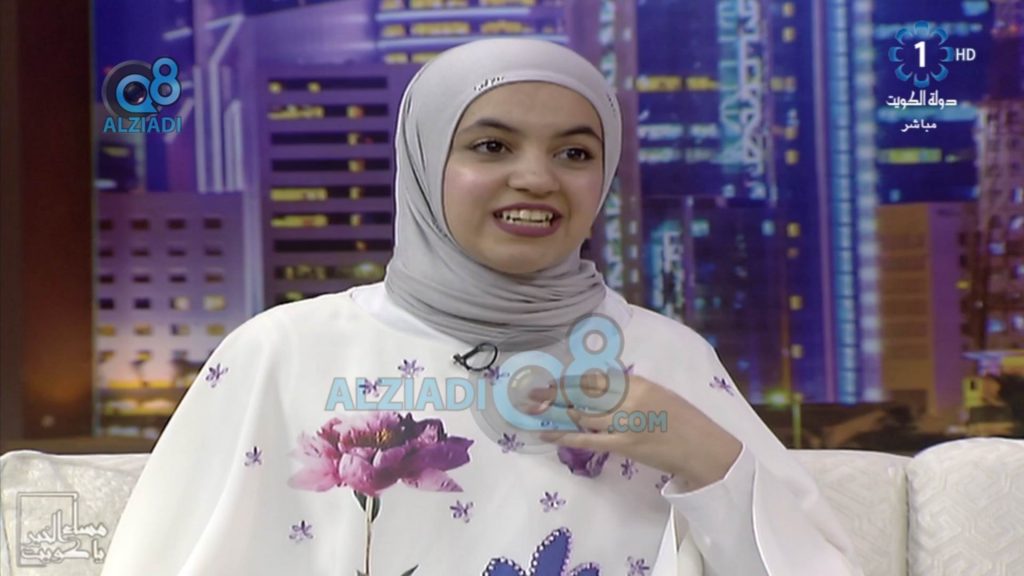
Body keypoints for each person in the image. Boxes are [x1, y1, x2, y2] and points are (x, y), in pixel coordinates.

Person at [102, 38, 863, 575]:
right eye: (492, 147)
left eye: (574, 153)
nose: (537, 178)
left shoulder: (667, 358)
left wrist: (700, 453)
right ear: (424, 160)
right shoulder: (284, 351)